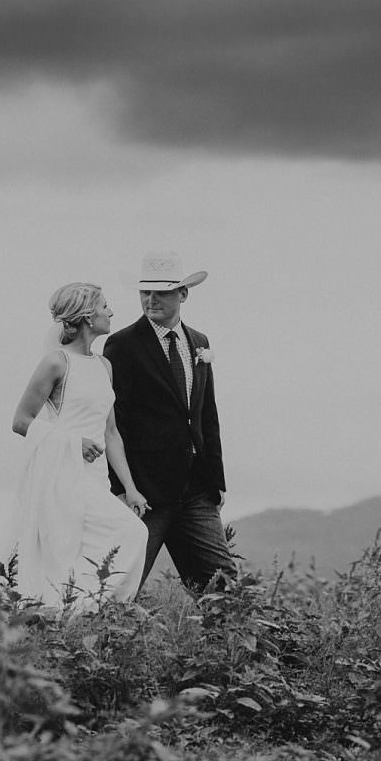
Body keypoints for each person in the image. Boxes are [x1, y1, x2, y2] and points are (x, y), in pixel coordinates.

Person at [0, 282, 151, 611]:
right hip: (62, 473)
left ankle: (67, 613)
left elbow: (111, 433)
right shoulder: (56, 363)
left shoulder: (104, 366)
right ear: (85, 316)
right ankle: (71, 614)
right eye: (104, 306)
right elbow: (21, 421)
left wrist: (131, 488)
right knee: (127, 534)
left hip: (96, 477)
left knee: (100, 544)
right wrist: (72, 443)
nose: (110, 312)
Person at [103, 251, 238, 594]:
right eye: (145, 292)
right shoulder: (122, 345)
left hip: (196, 489)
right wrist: (121, 489)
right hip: (146, 493)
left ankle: (230, 648)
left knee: (223, 587)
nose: (150, 300)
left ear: (183, 294)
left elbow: (207, 414)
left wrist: (216, 481)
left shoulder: (200, 343)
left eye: (161, 292)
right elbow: (115, 422)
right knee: (121, 587)